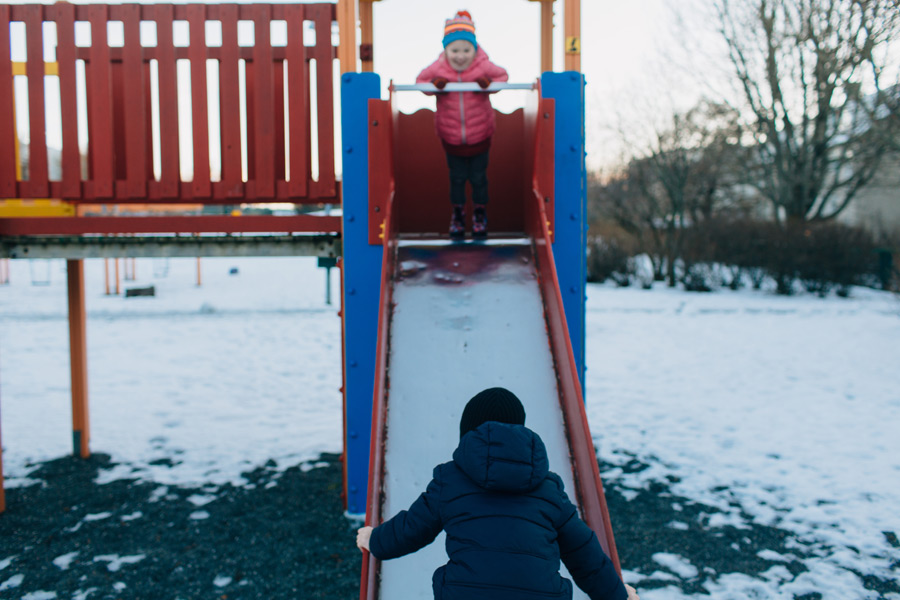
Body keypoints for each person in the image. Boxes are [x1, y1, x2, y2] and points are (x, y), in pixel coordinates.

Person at [356, 387, 641, 600]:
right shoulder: (548, 489)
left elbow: (411, 529)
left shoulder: (451, 479)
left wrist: (375, 540)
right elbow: (584, 553)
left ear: (467, 436)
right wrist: (617, 595)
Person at [415, 11, 509, 240]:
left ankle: (479, 214)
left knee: (478, 178)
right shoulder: (439, 68)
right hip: (451, 137)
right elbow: (420, 81)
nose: (460, 56)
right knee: (456, 178)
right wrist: (436, 86)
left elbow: (503, 77)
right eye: (454, 50)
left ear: (474, 49)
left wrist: (488, 85)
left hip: (481, 135)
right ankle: (457, 214)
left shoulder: (482, 66)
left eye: (466, 50)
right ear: (445, 50)